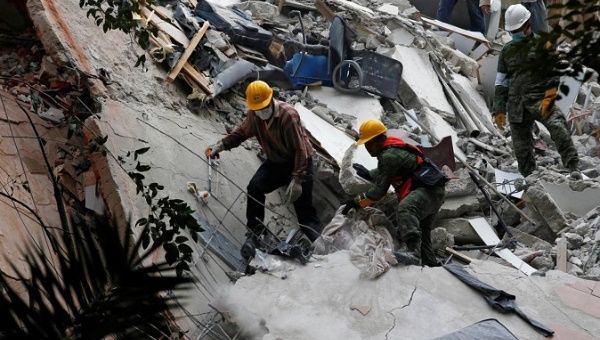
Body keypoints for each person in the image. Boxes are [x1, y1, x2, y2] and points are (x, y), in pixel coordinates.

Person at [205, 80, 321, 242]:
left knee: (305, 213)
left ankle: (319, 245)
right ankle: (256, 231)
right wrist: (221, 145)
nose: (262, 111)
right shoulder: (255, 114)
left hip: (300, 162)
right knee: (254, 187)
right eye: (257, 109)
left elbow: (299, 149)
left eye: (264, 107)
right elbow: (242, 133)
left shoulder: (288, 115)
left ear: (271, 99)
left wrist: (297, 179)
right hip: (277, 161)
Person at [342, 119, 447, 266]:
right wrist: (369, 174)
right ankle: (430, 263)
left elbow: (379, 192)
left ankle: (414, 255)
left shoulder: (389, 156)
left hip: (429, 191)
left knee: (406, 209)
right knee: (423, 231)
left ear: (378, 140)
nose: (367, 147)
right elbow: (388, 171)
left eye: (368, 143)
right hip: (434, 191)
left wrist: (356, 202)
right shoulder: (390, 150)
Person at [492, 4, 579, 177]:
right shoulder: (507, 51)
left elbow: (554, 75)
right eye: (512, 31)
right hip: (517, 104)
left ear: (527, 25)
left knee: (558, 128)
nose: (514, 34)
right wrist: (499, 109)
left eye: (517, 30)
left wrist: (550, 97)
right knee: (521, 149)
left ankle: (573, 168)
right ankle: (530, 179)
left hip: (540, 99)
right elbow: (501, 82)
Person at [480, 0, 549, 33]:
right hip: (509, 6)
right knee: (511, 39)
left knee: (542, 37)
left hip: (535, 3)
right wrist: (485, 1)